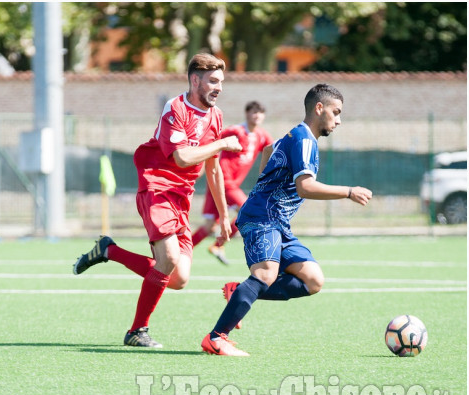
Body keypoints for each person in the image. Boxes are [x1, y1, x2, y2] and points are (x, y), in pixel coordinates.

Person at [73, 53, 242, 348]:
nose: (219, 87)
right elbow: (182, 156)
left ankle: (109, 251)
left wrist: (225, 216)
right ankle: (137, 331)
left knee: (178, 279)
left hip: (181, 197)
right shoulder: (175, 108)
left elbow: (213, 167)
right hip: (157, 187)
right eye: (213, 81)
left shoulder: (216, 116)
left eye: (221, 82)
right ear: (195, 80)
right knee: (169, 259)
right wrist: (224, 143)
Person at [201, 83, 373, 356]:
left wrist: (263, 185)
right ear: (319, 108)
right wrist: (348, 192)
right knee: (265, 274)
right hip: (262, 218)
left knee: (313, 280)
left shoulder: (297, 135)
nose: (338, 120)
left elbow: (268, 150)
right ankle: (216, 338)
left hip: (276, 221)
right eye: (336, 112)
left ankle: (241, 292)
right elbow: (305, 186)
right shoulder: (304, 139)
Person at [191, 101, 273, 266]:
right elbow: (210, 140)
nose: (257, 115)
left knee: (209, 226)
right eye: (253, 111)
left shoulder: (261, 135)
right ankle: (218, 245)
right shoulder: (235, 131)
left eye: (260, 112)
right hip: (224, 181)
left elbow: (274, 148)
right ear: (247, 113)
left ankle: (182, 252)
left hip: (226, 185)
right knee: (250, 212)